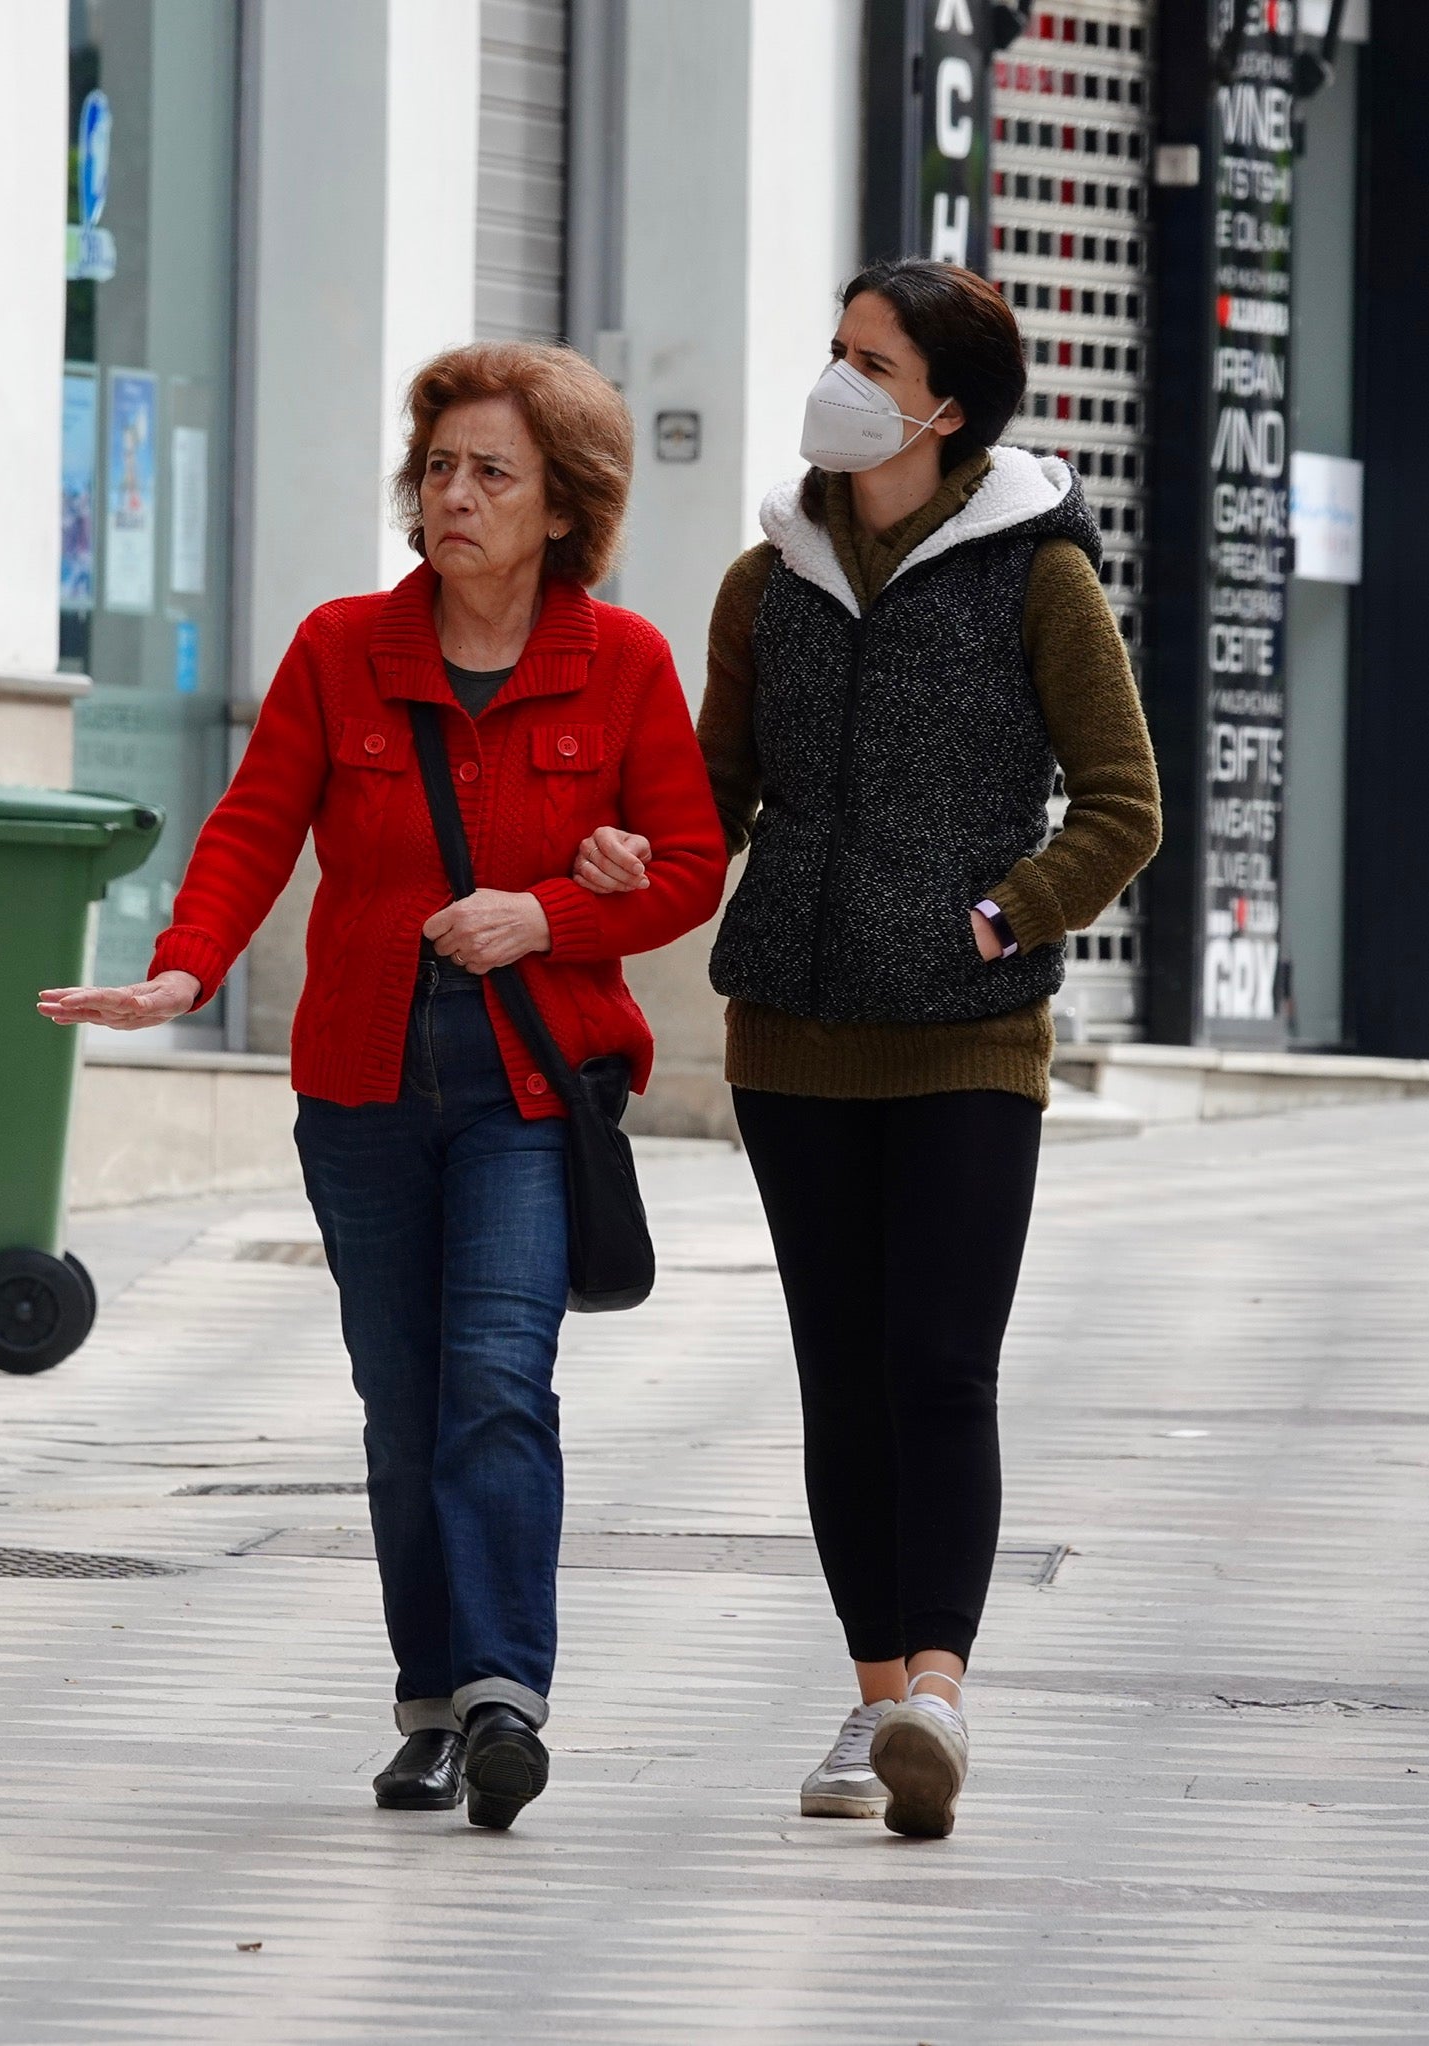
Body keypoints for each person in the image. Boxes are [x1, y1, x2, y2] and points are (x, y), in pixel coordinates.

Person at [39, 341, 727, 1830]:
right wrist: (182, 968)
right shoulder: (341, 645)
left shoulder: (621, 666)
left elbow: (686, 864)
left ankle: (501, 1695)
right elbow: (250, 826)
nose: (454, 494)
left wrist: (554, 911)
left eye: (493, 472)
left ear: (563, 508)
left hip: (525, 1087)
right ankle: (430, 1699)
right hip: (359, 1076)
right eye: (438, 468)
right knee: (400, 1400)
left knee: (492, 1380)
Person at [573, 258, 1161, 1839]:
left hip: (970, 1038)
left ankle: (940, 1693)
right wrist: (639, 849)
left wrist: (998, 917)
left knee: (937, 1365)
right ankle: (872, 1699)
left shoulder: (1035, 575)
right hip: (791, 1035)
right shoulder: (765, 579)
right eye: (833, 348)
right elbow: (715, 795)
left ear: (943, 408)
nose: (833, 377)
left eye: (867, 357)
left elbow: (1123, 803)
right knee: (841, 1374)